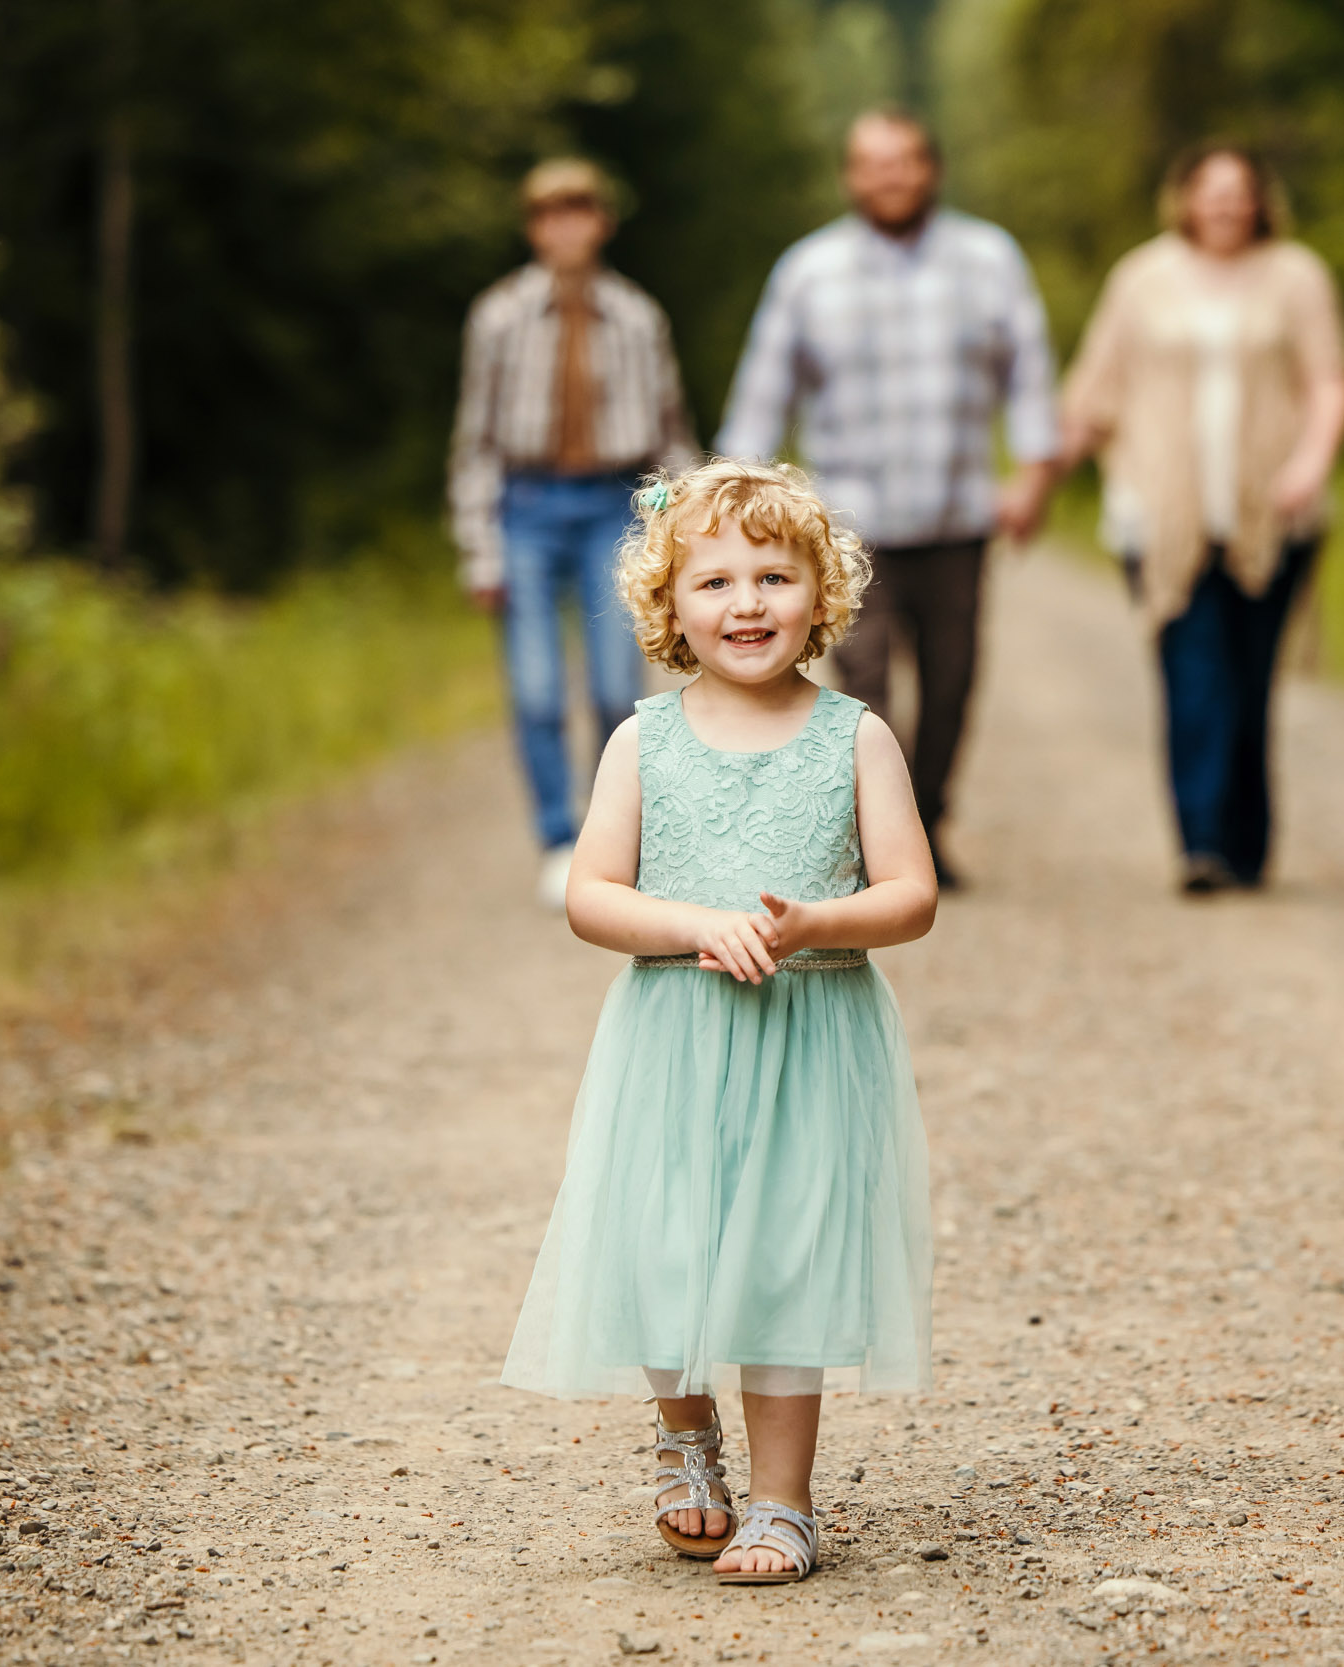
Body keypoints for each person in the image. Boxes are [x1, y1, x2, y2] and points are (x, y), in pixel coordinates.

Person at [501, 458, 938, 1585]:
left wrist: (814, 921)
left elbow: (913, 892)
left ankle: (784, 1500)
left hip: (811, 1034)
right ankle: (687, 1437)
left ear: (821, 594)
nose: (746, 603)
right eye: (715, 582)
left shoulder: (857, 736)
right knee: (666, 1242)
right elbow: (590, 893)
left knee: (788, 1258)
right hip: (676, 1034)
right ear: (669, 605)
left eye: (774, 576)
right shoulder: (642, 740)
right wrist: (695, 921)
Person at [716, 108, 1059, 890]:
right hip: (848, 529)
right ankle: (885, 846)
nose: (890, 176)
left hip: (957, 514)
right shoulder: (808, 271)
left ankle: (926, 820)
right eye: (872, 163)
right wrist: (736, 498)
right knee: (863, 689)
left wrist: (1034, 474)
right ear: (851, 177)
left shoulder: (988, 258)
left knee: (953, 681)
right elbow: (763, 394)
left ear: (930, 168)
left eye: (903, 160)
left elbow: (1030, 374)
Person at [1051, 142, 1344, 894]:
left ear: (1260, 200)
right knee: (1192, 677)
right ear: (1184, 199)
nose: (1225, 205)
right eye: (1210, 192)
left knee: (1251, 683)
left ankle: (1249, 845)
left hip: (1273, 512)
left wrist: (1311, 463)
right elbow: (1094, 388)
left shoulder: (1298, 275)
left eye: (1239, 192)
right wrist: (1040, 475)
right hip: (1161, 517)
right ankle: (1202, 845)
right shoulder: (1142, 277)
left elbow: (1330, 381)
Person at [449, 158, 697, 909]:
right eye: (550, 212)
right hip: (525, 504)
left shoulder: (637, 316)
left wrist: (676, 527)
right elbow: (476, 440)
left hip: (614, 504)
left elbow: (669, 438)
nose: (566, 225)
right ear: (533, 227)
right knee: (535, 683)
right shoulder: (497, 316)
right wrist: (479, 546)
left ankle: (609, 837)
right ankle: (557, 837)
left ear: (601, 221)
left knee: (621, 683)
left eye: (579, 209)